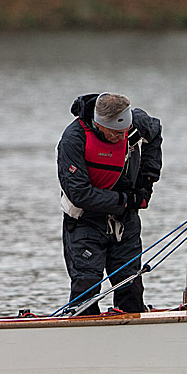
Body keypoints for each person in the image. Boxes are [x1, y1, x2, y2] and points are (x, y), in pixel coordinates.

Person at [57, 92, 162, 316]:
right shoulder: (73, 140)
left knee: (130, 285)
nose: (120, 138)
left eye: (124, 133)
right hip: (85, 221)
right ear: (98, 124)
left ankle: (131, 332)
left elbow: (155, 131)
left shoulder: (134, 124)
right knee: (87, 286)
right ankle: (86, 335)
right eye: (114, 133)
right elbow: (79, 194)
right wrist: (126, 200)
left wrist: (148, 179)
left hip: (126, 222)